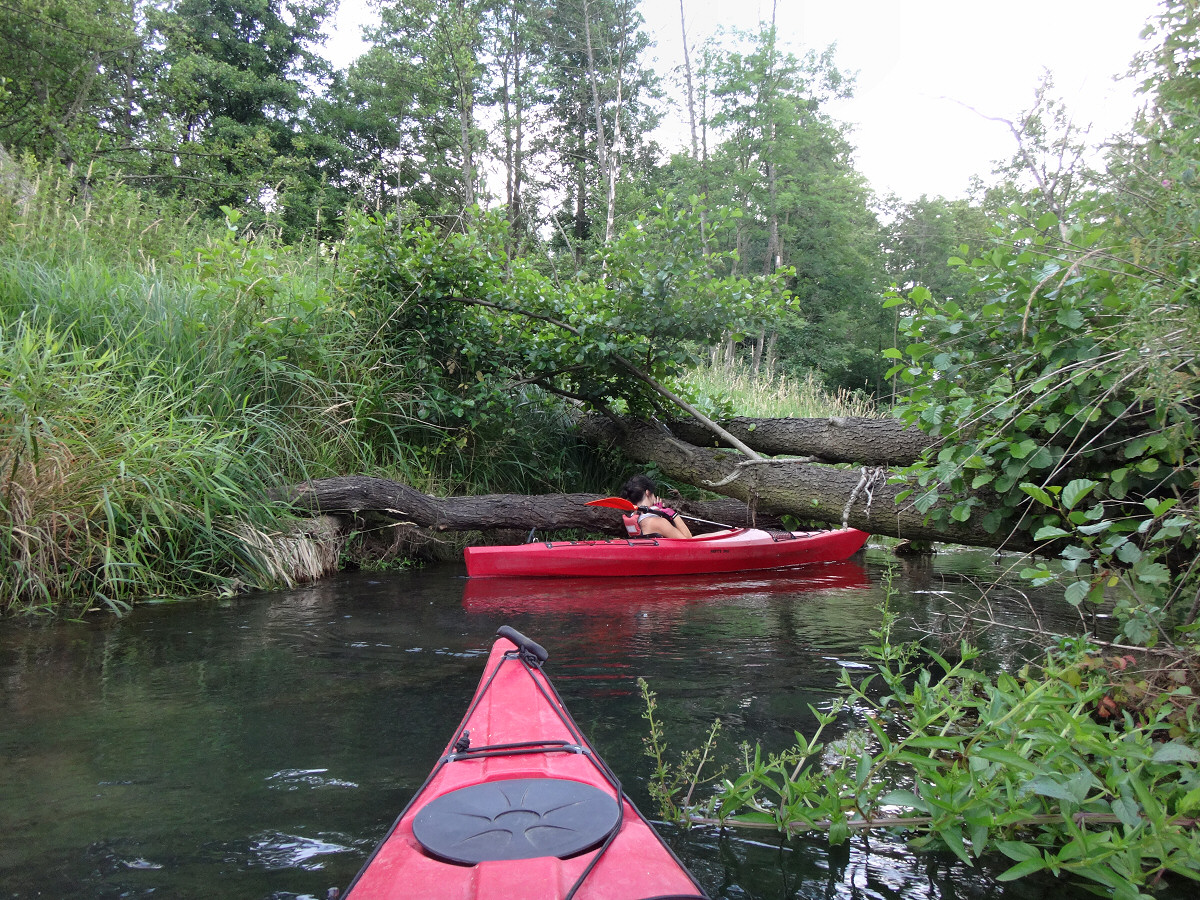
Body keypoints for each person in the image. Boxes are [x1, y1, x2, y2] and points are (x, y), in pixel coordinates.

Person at [619, 474, 693, 539]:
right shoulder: (657, 522)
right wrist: (673, 515)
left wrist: (660, 515)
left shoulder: (632, 518)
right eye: (653, 494)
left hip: (649, 553)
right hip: (666, 554)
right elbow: (689, 541)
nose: (654, 497)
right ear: (648, 492)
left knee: (704, 536)